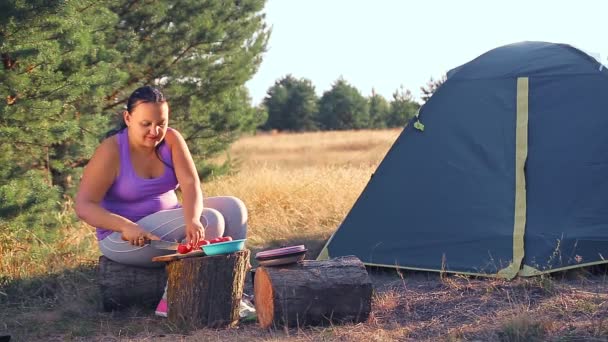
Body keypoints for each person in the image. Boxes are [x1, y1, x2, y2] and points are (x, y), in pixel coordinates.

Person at [75, 86, 249, 317]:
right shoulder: (111, 151)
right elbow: (84, 206)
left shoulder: (172, 140)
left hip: (168, 225)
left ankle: (235, 294)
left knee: (234, 208)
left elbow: (190, 185)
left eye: (161, 123)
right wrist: (126, 226)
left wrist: (192, 219)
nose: (154, 131)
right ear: (127, 118)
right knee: (211, 219)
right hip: (124, 238)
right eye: (145, 124)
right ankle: (174, 300)